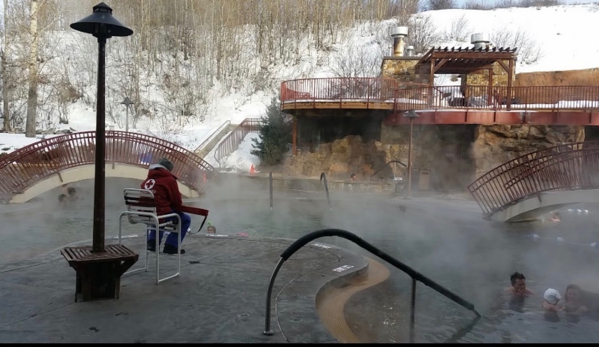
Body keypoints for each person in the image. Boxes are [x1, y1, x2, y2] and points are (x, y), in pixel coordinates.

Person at [141, 158, 191, 255]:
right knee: (185, 219)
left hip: (144, 214)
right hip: (160, 215)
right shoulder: (169, 180)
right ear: (168, 170)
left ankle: (152, 242)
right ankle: (171, 246)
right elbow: (177, 201)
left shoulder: (148, 180)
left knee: (157, 212)